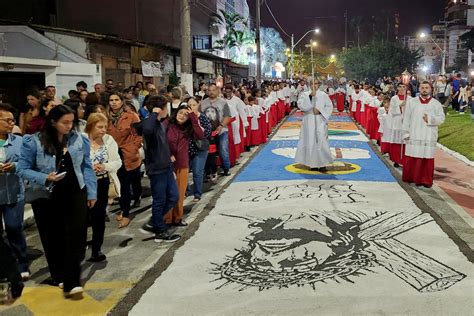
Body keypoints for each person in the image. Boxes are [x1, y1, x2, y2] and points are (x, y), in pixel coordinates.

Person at [17, 105, 97, 298]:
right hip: (46, 195)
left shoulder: (79, 139)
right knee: (53, 238)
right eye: (65, 123)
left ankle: (71, 280)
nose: (70, 126)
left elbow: (87, 166)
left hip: (75, 192)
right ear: (53, 122)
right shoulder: (34, 141)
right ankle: (59, 275)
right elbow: (22, 169)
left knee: (77, 236)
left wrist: (92, 192)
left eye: (72, 122)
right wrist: (45, 177)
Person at [134, 95, 180, 242]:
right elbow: (145, 129)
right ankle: (159, 229)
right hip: (156, 169)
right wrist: (154, 112)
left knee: (173, 196)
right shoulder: (150, 123)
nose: (167, 110)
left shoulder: (159, 123)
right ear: (159, 109)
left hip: (166, 167)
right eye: (165, 107)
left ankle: (155, 221)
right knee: (159, 199)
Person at [85, 113, 122, 262]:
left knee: (99, 218)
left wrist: (104, 166)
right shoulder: (81, 139)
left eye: (105, 127)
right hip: (84, 184)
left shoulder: (108, 140)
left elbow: (118, 162)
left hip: (102, 182)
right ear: (91, 125)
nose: (103, 130)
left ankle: (96, 249)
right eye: (99, 127)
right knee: (82, 218)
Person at [0, 103, 29, 279]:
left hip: (13, 192)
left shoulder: (19, 141)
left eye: (13, 120)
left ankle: (22, 262)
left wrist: (15, 166)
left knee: (14, 228)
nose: (12, 123)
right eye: (7, 120)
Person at [106, 94, 142, 228]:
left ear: (122, 102)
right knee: (121, 185)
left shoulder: (131, 115)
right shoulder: (106, 117)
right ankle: (125, 211)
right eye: (111, 100)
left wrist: (134, 147)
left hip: (129, 153)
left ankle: (136, 198)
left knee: (134, 180)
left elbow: (139, 134)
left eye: (116, 100)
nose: (114, 103)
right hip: (114, 154)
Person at [165, 104, 204, 226]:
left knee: (180, 193)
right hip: (167, 164)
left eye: (185, 115)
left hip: (182, 164)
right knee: (168, 193)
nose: (182, 116)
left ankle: (177, 218)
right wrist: (168, 155)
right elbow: (160, 141)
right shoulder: (167, 124)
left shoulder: (190, 129)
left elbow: (200, 135)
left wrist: (193, 117)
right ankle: (166, 219)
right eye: (180, 112)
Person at [402, 81, 445, 188]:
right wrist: (406, 133)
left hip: (428, 135)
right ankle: (411, 177)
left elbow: (441, 119)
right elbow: (406, 118)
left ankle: (425, 180)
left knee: (426, 158)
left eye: (426, 88)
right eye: (422, 88)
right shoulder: (412, 102)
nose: (424, 90)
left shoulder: (436, 104)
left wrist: (430, 119)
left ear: (430, 89)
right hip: (414, 133)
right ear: (419, 89)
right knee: (413, 156)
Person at [295, 79, 334, 170]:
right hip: (309, 120)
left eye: (316, 83)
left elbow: (329, 106)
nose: (314, 85)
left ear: (319, 84)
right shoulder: (304, 94)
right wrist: (309, 97)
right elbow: (300, 105)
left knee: (321, 139)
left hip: (320, 120)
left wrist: (320, 111)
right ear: (309, 84)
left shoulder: (323, 95)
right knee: (310, 140)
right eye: (312, 83)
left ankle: (322, 163)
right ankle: (311, 163)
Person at [200, 84, 232, 176]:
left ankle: (226, 168)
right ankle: (207, 171)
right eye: (209, 90)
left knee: (223, 149)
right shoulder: (203, 103)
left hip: (222, 131)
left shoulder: (223, 102)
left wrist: (221, 126)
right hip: (207, 132)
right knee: (207, 151)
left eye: (213, 90)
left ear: (217, 91)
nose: (211, 92)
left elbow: (228, 116)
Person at [187, 97, 212, 202]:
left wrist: (196, 122)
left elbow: (206, 133)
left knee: (198, 171)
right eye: (189, 105)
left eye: (194, 105)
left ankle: (197, 193)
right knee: (184, 171)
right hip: (187, 148)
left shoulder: (203, 118)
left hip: (200, 148)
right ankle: (185, 191)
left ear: (198, 105)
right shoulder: (184, 117)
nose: (191, 107)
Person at [387, 84, 410, 168]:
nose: (402, 88)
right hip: (397, 121)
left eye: (404, 87)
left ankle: (405, 160)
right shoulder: (394, 98)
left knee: (406, 142)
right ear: (397, 88)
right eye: (400, 87)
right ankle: (396, 159)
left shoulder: (410, 99)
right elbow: (392, 111)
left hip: (407, 122)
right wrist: (400, 106)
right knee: (397, 142)